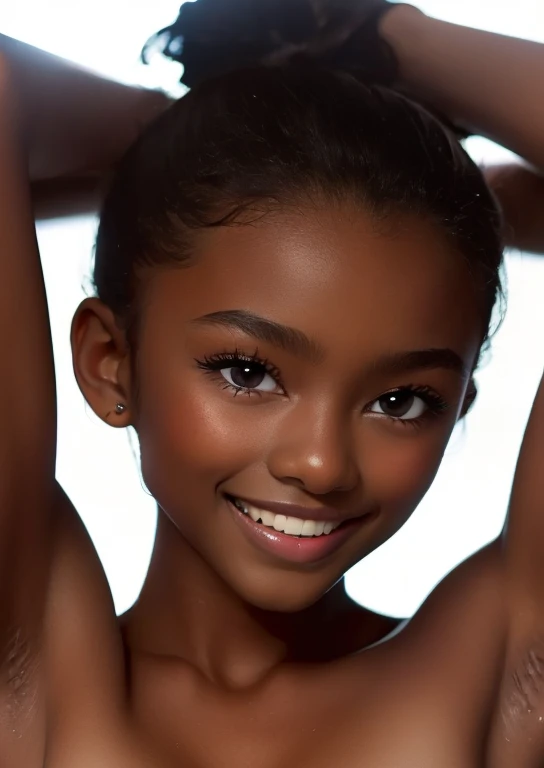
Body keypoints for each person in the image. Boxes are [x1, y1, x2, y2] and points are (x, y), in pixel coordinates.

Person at [0, 1, 543, 766]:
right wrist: (169, 133)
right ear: (108, 361)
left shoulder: (493, 677)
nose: (320, 465)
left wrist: (380, 36)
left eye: (401, 401)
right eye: (248, 372)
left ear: (458, 411)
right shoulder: (35, 673)